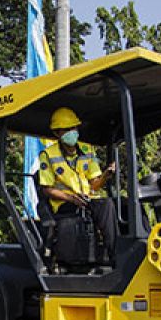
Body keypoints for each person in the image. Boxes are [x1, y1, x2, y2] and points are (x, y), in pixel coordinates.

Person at [37, 107, 117, 261]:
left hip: (86, 200)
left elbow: (94, 184)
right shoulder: (48, 155)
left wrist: (106, 175)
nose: (71, 132)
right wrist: (71, 198)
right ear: (57, 133)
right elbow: (47, 189)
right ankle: (114, 257)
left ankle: (117, 251)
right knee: (103, 206)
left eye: (73, 127)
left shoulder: (87, 151)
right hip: (64, 204)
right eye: (66, 129)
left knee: (116, 204)